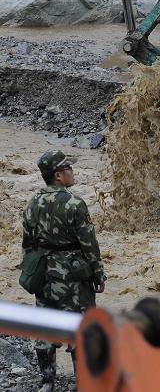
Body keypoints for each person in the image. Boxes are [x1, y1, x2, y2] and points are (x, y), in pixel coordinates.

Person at [22, 150, 106, 392]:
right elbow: (89, 244)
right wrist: (98, 274)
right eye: (68, 168)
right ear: (58, 176)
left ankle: (47, 382)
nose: (72, 171)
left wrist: (32, 272)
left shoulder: (33, 203)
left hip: (44, 274)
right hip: (73, 277)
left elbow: (28, 244)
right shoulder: (75, 204)